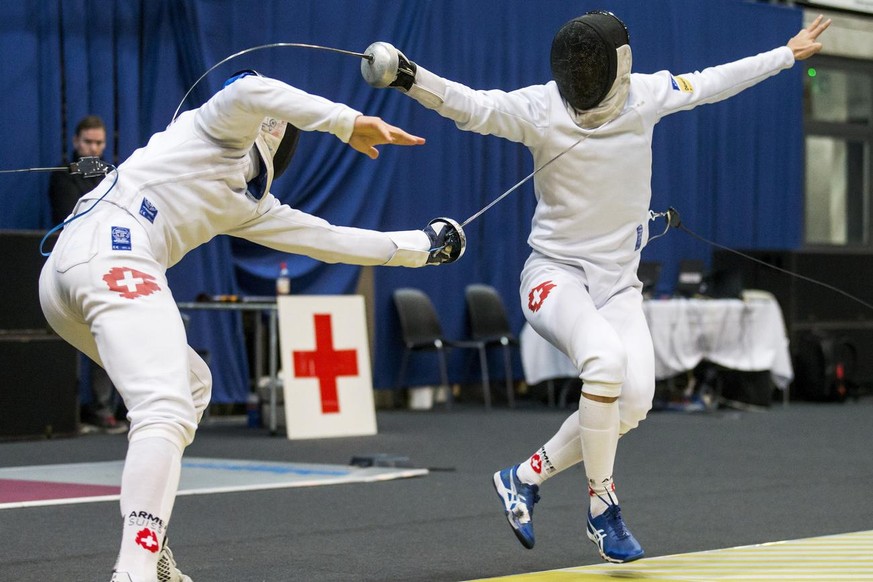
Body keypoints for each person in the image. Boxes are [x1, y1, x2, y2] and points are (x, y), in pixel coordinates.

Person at [363, 11, 830, 563]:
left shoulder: (646, 95)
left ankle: (523, 478)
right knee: (605, 362)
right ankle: (602, 508)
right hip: (554, 277)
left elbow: (715, 81)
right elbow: (471, 106)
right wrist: (408, 76)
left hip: (617, 285)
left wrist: (785, 53)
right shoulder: (540, 108)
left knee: (633, 401)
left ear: (617, 68)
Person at [38, 71, 464, 582]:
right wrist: (346, 121)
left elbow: (328, 239)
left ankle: (151, 545)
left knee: (192, 385)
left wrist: (422, 248)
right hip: (112, 254)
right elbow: (248, 92)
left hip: (62, 282)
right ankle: (133, 572)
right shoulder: (215, 129)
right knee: (165, 405)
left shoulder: (249, 203)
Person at [47, 114, 128, 434]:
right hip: (73, 265)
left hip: (110, 263)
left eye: (99, 143)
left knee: (109, 334)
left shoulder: (113, 176)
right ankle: (70, 411)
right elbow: (71, 218)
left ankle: (103, 406)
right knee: (73, 336)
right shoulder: (63, 176)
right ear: (76, 142)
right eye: (88, 143)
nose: (93, 148)